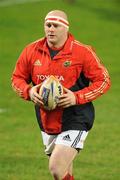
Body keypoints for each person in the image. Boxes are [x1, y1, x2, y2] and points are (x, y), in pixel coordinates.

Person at [11, 10, 111, 180]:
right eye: (47, 25)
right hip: (47, 120)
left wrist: (76, 97)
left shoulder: (82, 52)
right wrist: (29, 91)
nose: (50, 29)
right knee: (63, 173)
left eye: (55, 26)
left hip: (76, 118)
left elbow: (103, 81)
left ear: (65, 28)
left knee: (56, 167)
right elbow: (16, 78)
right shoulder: (31, 51)